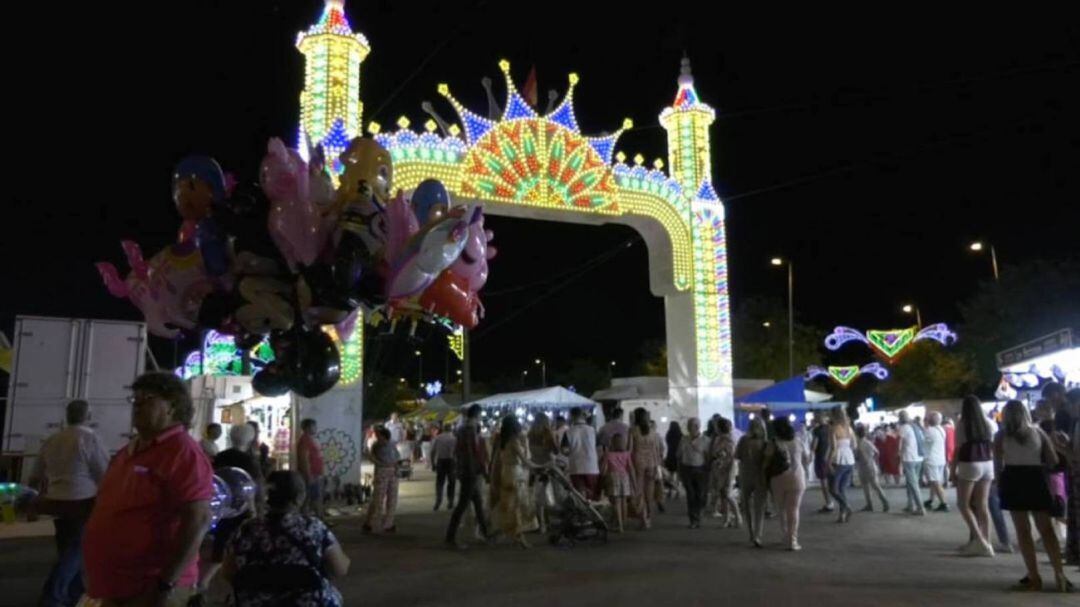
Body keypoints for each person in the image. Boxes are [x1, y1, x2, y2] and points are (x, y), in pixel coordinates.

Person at [82, 373, 213, 606]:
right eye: (135, 399)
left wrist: (165, 584)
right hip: (117, 584)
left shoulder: (182, 453)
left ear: (172, 407)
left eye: (147, 398)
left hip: (151, 588)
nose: (137, 405)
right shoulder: (128, 452)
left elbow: (198, 519)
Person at [223, 470, 350, 606]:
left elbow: (229, 572)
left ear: (268, 497)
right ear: (299, 497)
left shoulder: (247, 529)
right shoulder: (313, 527)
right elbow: (339, 569)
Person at [28, 399, 109, 607]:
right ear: (88, 417)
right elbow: (103, 473)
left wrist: (34, 499)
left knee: (68, 548)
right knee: (76, 551)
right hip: (82, 502)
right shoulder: (90, 439)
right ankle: (53, 597)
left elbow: (36, 474)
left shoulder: (52, 439)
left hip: (55, 501)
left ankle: (74, 595)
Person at [995, 400, 1072, 592]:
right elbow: (1053, 460)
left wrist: (1000, 485)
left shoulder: (1001, 436)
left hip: (1013, 479)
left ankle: (1034, 577)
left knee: (1023, 531)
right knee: (1046, 530)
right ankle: (1059, 574)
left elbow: (997, 465)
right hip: (1036, 479)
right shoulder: (1038, 432)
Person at [951, 395, 996, 557]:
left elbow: (957, 450)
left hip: (970, 463)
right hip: (988, 463)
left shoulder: (963, 424)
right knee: (983, 505)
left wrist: (952, 471)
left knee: (963, 504)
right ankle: (987, 541)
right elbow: (994, 445)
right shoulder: (989, 423)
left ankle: (979, 541)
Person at [446, 404, 492, 549]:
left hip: (467, 471)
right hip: (470, 472)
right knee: (462, 505)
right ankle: (450, 537)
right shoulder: (469, 430)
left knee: (477, 504)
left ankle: (486, 533)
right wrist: (481, 471)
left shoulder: (463, 429)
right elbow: (473, 453)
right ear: (477, 415)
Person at [490, 415, 539, 548]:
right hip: (516, 475)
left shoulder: (501, 440)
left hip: (506, 474)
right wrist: (539, 466)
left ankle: (502, 532)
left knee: (508, 506)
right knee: (518, 507)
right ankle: (519, 538)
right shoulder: (514, 441)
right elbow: (525, 460)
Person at [770, 416, 809, 551]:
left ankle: (784, 535)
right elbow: (807, 458)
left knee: (781, 509)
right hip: (797, 477)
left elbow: (766, 461)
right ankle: (792, 540)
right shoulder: (798, 441)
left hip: (778, 478)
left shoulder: (773, 443)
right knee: (793, 510)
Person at [736, 417, 769, 547]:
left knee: (746, 506)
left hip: (745, 474)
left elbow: (737, 456)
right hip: (760, 476)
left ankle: (750, 533)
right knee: (759, 507)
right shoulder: (765, 442)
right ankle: (757, 535)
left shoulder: (743, 440)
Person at [628, 408, 663, 529]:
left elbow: (630, 449)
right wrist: (658, 463)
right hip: (652, 463)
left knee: (639, 491)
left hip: (637, 463)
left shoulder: (633, 431)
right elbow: (656, 449)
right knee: (649, 493)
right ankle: (649, 517)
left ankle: (643, 519)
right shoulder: (652, 431)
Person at [363, 426, 399, 534]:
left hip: (390, 471)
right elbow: (371, 457)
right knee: (378, 498)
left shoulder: (390, 444)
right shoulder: (376, 445)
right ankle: (373, 523)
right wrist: (380, 463)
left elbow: (396, 458)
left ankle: (388, 523)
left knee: (391, 498)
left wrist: (396, 468)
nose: (377, 436)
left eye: (378, 434)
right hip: (383, 471)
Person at [677, 417, 710, 529]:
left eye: (695, 425)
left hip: (700, 469)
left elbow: (708, 456)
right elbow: (679, 455)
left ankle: (699, 513)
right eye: (690, 425)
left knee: (700, 494)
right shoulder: (684, 439)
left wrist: (708, 469)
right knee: (690, 495)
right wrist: (679, 471)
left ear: (698, 427)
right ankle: (693, 519)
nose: (692, 427)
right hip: (687, 469)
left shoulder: (705, 440)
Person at [527, 413, 558, 533]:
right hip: (546, 466)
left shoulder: (530, 434)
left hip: (534, 466)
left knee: (538, 495)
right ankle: (544, 524)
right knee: (545, 496)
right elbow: (555, 450)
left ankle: (541, 522)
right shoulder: (547, 434)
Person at [825, 407, 857, 523]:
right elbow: (854, 445)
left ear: (833, 415)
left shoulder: (833, 429)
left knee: (833, 489)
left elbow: (833, 448)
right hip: (849, 460)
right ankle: (842, 515)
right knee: (842, 489)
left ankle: (847, 507)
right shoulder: (849, 428)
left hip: (838, 460)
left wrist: (828, 462)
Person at [562, 407, 600, 500]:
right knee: (590, 495)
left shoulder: (568, 432)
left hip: (576, 467)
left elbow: (564, 450)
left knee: (580, 496)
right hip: (592, 467)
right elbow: (599, 449)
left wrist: (571, 452)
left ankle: (581, 513)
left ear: (572, 416)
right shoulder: (592, 430)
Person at [709, 417, 740, 527]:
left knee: (728, 494)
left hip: (729, 468)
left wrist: (721, 457)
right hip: (719, 468)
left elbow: (732, 456)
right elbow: (713, 452)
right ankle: (727, 518)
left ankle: (737, 516)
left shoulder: (729, 440)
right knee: (723, 494)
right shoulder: (718, 439)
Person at [601, 433, 634, 533]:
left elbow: (604, 469)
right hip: (625, 477)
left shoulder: (608, 454)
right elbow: (631, 468)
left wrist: (602, 478)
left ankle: (619, 526)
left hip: (613, 477)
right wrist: (634, 483)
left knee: (616, 503)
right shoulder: (627, 454)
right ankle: (624, 522)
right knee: (624, 501)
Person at [854, 424, 889, 512]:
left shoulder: (857, 444)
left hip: (862, 467)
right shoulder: (868, 442)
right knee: (875, 486)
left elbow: (857, 456)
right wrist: (875, 461)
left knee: (867, 487)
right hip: (871, 465)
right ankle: (884, 502)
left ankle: (871, 504)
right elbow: (877, 452)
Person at [898, 410, 926, 515]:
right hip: (919, 458)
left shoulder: (903, 428)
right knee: (910, 483)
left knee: (913, 484)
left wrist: (898, 458)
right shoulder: (916, 426)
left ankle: (921, 508)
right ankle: (910, 505)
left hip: (909, 458)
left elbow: (900, 444)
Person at [297, 419, 326, 519]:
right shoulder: (305, 440)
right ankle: (319, 519)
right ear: (308, 427)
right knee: (312, 498)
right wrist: (308, 475)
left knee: (311, 498)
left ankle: (315, 518)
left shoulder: (309, 439)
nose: (316, 428)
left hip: (314, 474)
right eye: (314, 426)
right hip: (311, 474)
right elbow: (304, 459)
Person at [922, 412, 950, 512]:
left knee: (935, 482)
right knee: (935, 481)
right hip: (940, 459)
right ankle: (930, 500)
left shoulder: (929, 431)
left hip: (932, 459)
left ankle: (944, 503)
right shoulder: (941, 429)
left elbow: (924, 444)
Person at [809, 413, 835, 513]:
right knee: (831, 480)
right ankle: (836, 501)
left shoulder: (817, 430)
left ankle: (829, 503)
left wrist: (811, 452)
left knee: (823, 481)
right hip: (831, 457)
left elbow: (815, 444)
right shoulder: (831, 428)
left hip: (821, 457)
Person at [432, 422, 457, 511]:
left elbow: (433, 451)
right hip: (451, 462)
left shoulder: (438, 438)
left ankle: (438, 501)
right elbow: (457, 453)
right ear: (451, 429)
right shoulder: (454, 438)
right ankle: (450, 502)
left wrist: (433, 464)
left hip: (441, 461)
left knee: (439, 483)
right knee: (452, 483)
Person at [663, 421, 683, 500]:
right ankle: (677, 491)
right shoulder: (680, 435)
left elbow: (667, 443)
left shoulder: (668, 434)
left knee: (670, 475)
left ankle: (670, 491)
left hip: (670, 455)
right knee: (678, 475)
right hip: (678, 457)